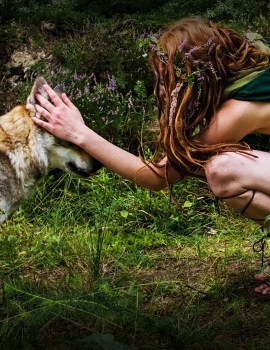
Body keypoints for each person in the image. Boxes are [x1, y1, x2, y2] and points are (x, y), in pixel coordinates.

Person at [32, 17, 270, 294]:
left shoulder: (239, 111)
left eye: (167, 79)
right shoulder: (251, 66)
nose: (158, 89)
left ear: (197, 75)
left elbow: (158, 176)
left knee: (225, 169)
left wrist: (80, 134)